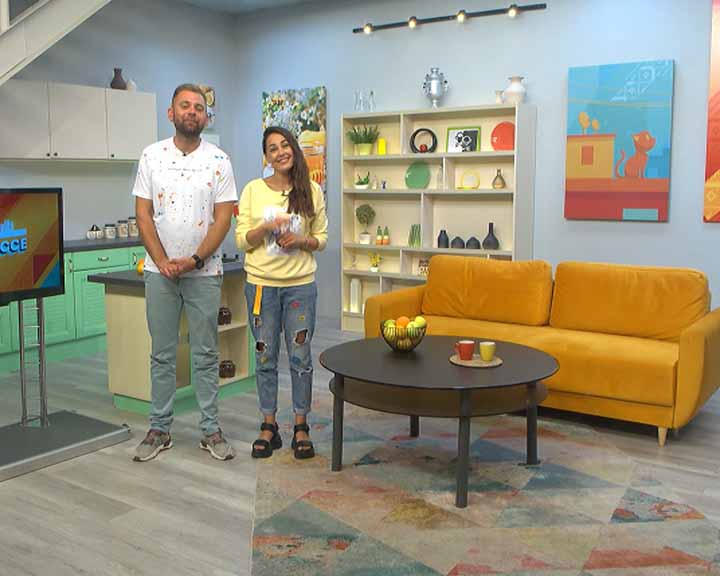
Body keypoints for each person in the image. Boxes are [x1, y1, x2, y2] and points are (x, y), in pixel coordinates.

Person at [132, 83, 238, 462]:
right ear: (171, 113)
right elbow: (143, 214)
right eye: (185, 106)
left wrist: (194, 259)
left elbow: (223, 219)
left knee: (206, 354)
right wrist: (162, 260)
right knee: (162, 355)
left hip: (204, 273)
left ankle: (210, 430)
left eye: (199, 107)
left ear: (206, 117)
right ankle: (159, 429)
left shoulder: (219, 160)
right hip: (159, 273)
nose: (192, 112)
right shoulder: (152, 156)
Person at [235, 126, 328, 459]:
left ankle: (301, 425)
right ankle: (269, 425)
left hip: (300, 287)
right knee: (265, 356)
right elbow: (241, 240)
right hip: (262, 287)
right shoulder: (252, 190)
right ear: (266, 157)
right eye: (272, 148)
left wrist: (301, 240)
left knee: (300, 358)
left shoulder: (311, 190)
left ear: (294, 149)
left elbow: (322, 239)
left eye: (285, 145)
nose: (280, 152)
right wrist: (266, 227)